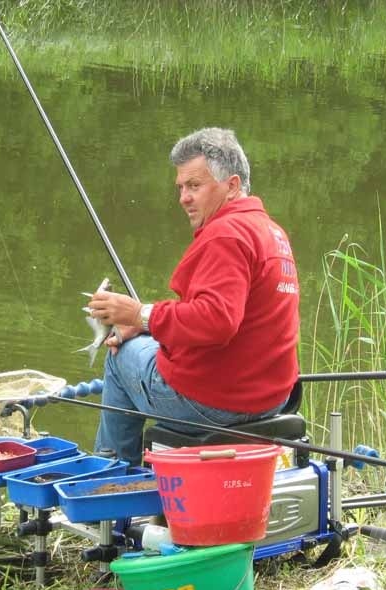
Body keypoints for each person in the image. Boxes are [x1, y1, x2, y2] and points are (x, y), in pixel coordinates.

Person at [87, 127, 300, 466]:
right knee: (139, 341)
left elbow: (217, 322)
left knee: (121, 356)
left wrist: (138, 314)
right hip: (271, 398)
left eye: (195, 186)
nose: (183, 197)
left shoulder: (226, 234)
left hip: (217, 402)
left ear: (231, 186)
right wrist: (148, 325)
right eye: (181, 187)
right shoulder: (270, 231)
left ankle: (111, 481)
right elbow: (231, 318)